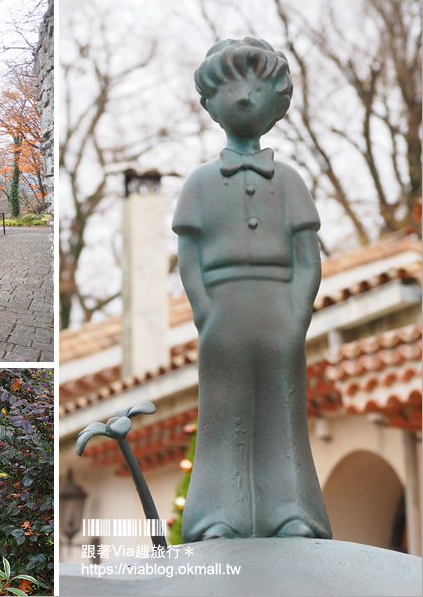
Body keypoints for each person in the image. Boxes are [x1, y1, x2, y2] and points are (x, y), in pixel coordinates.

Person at [172, 38, 332, 542]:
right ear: (211, 102)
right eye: (231, 86)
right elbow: (189, 257)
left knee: (284, 411)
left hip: (279, 310)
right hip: (223, 310)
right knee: (222, 413)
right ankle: (218, 515)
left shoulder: (290, 180)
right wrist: (205, 311)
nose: (244, 98)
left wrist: (297, 313)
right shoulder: (198, 183)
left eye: (257, 86)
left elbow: (309, 257)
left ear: (277, 101)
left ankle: (294, 512)